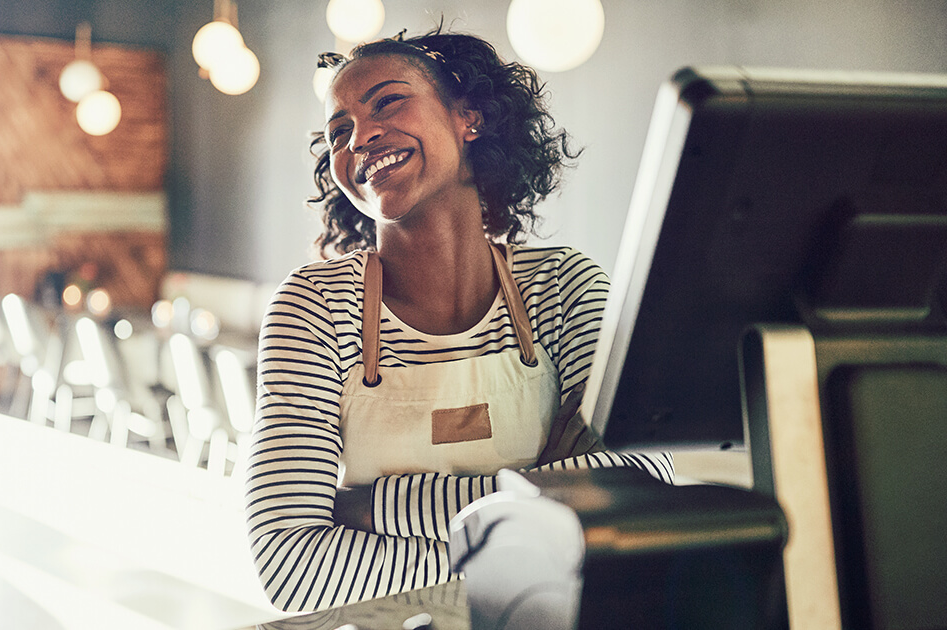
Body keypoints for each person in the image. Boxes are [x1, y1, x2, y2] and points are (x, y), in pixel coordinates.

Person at [244, 26, 673, 614]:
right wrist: (530, 550)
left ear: (468, 116)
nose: (360, 136)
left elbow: (636, 482)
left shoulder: (562, 288)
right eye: (338, 131)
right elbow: (291, 567)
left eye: (387, 102)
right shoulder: (315, 307)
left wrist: (379, 506)